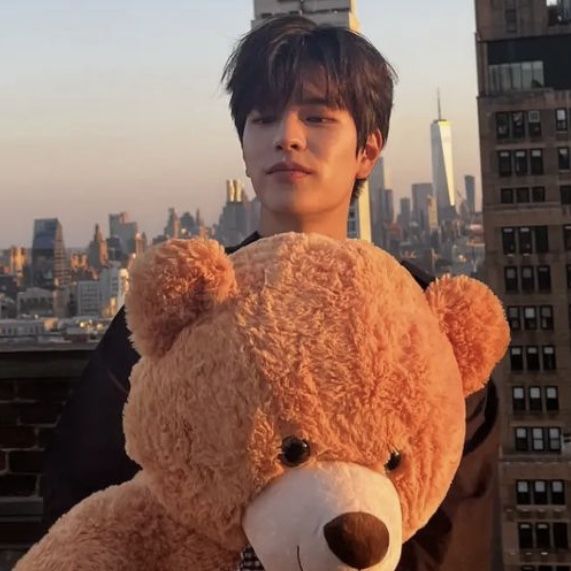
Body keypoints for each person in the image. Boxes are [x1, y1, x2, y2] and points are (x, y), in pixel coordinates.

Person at [42, 15, 499, 571]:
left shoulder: (419, 317)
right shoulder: (193, 302)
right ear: (244, 145)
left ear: (368, 150)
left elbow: (455, 530)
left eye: (316, 116)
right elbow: (81, 484)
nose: (287, 135)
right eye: (263, 118)